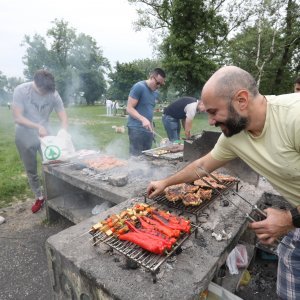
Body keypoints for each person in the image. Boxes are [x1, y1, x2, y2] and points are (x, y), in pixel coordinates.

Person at [147, 66, 300, 300]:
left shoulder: (294, 116)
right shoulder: (235, 134)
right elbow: (201, 166)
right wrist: (165, 182)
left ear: (241, 100)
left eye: (213, 112)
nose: (209, 121)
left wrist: (289, 219)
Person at [12, 69, 68, 213]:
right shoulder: (21, 91)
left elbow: (63, 116)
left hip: (45, 132)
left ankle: (54, 194)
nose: (46, 94)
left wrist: (63, 131)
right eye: (43, 91)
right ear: (36, 84)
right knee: (31, 169)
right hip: (24, 132)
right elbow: (17, 117)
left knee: (52, 163)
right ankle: (39, 197)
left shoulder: (53, 93)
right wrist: (37, 126)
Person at [126, 68, 166, 156]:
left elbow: (149, 111)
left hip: (148, 131)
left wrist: (152, 129)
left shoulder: (155, 93)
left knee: (147, 157)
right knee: (136, 158)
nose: (159, 86)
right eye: (157, 83)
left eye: (161, 84)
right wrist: (142, 119)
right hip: (136, 128)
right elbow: (129, 108)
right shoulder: (139, 87)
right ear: (152, 77)